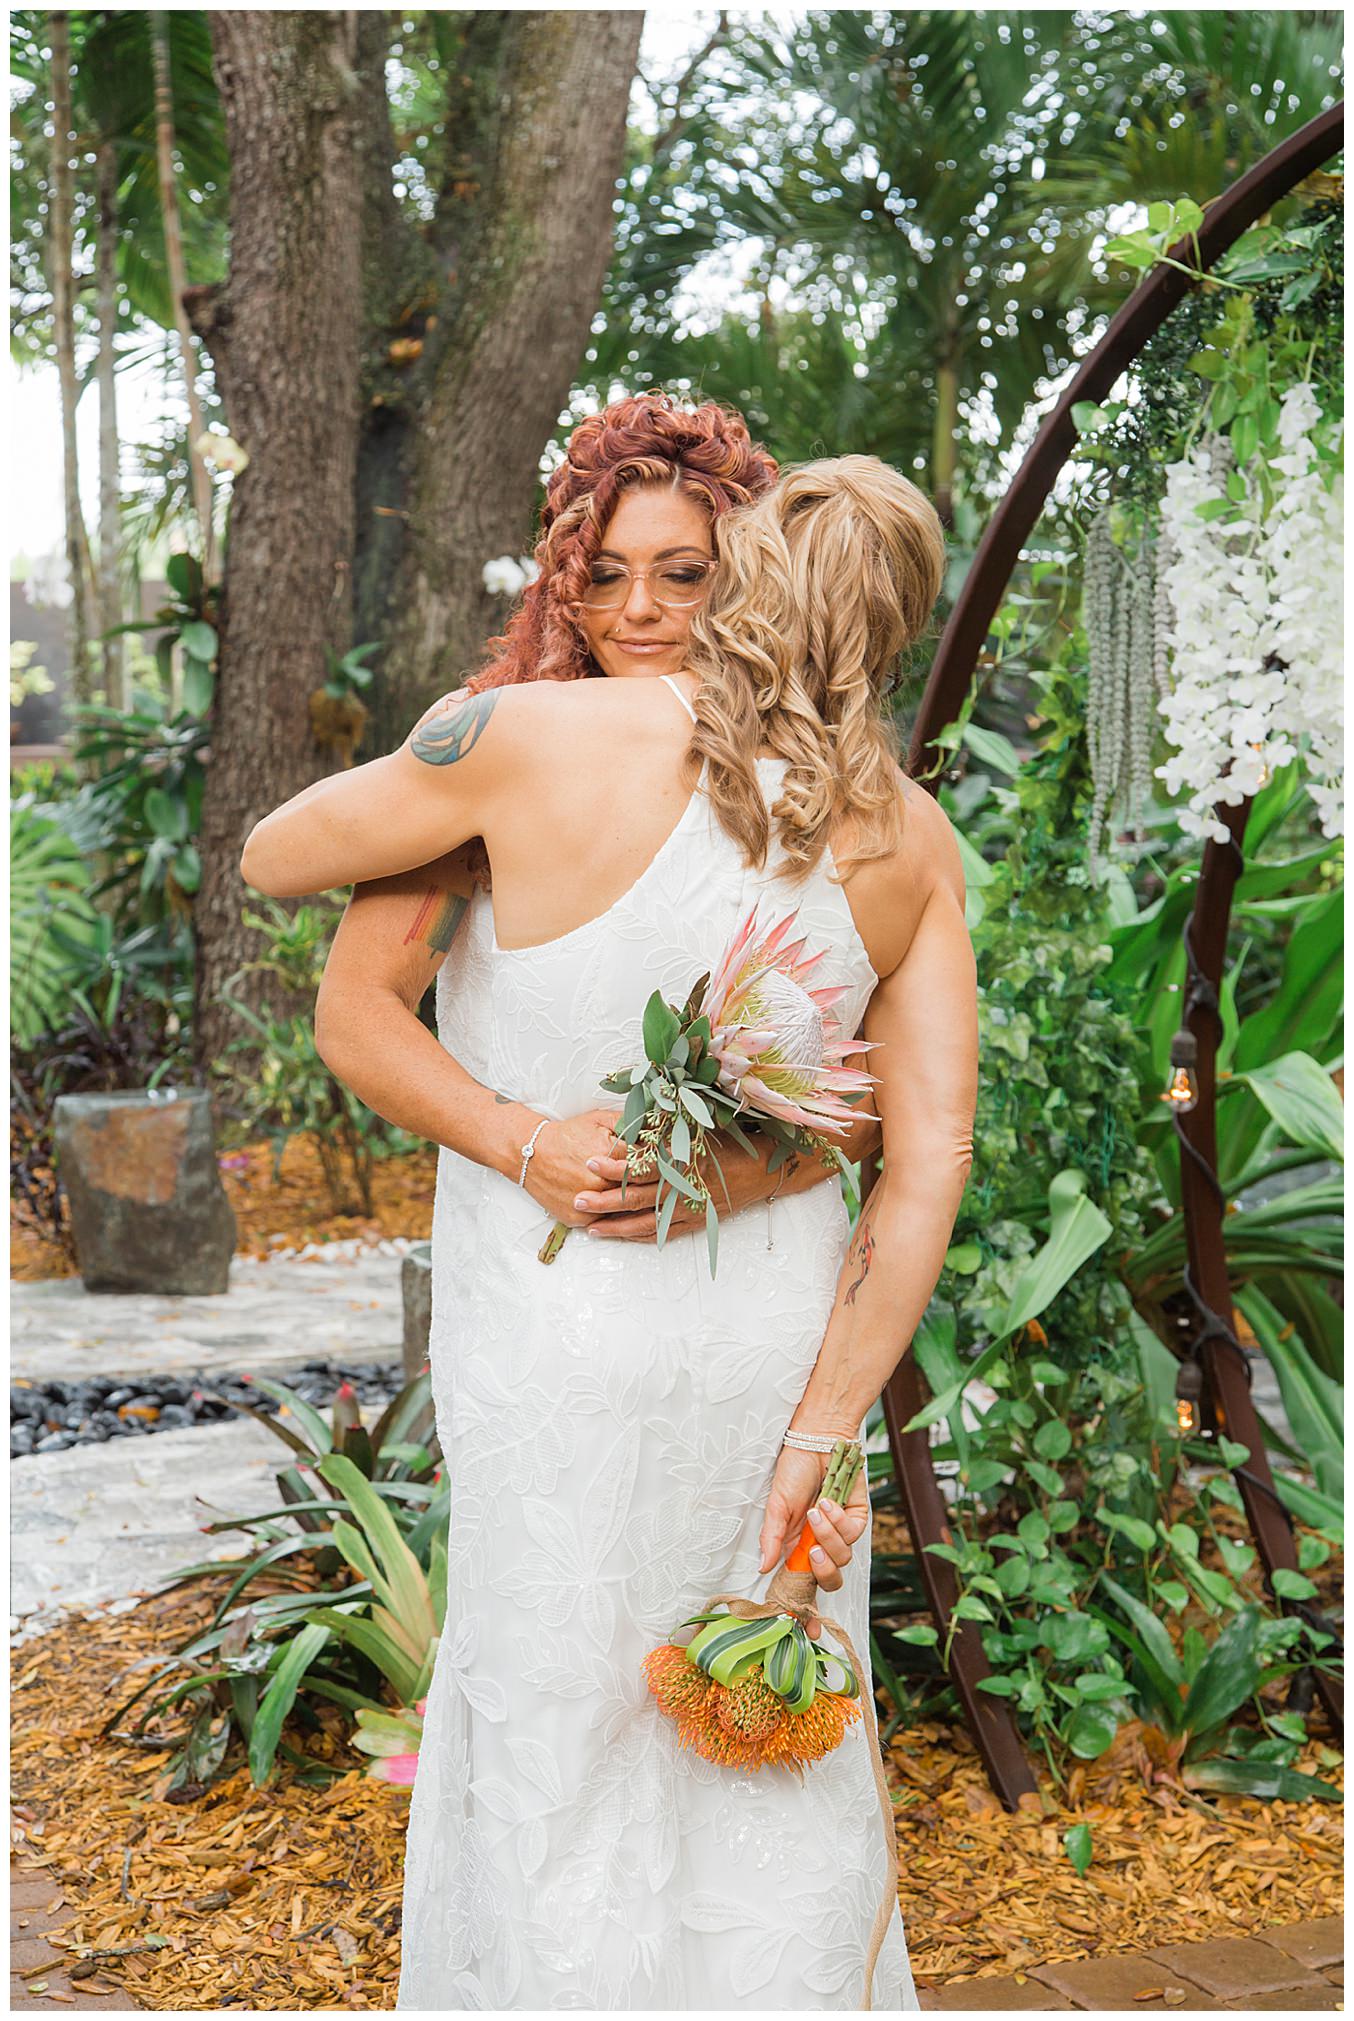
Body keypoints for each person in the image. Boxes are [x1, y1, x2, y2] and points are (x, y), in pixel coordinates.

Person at [242, 455, 978, 2010]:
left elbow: (274, 853)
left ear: (743, 572)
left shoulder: (519, 738)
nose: (642, 605)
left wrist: (455, 768)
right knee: (761, 1728)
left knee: (556, 1728)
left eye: (684, 572)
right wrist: (821, 1438)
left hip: (557, 1326)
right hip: (777, 1358)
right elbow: (928, 1156)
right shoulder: (907, 838)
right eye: (612, 572)